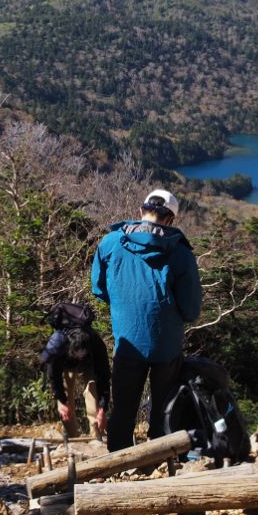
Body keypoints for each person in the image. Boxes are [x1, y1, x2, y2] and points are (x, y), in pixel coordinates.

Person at [91, 188, 202, 451]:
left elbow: (98, 288)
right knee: (164, 409)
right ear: (170, 220)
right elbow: (191, 309)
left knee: (124, 408)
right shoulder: (181, 254)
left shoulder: (110, 243)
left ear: (141, 211)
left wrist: (123, 305)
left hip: (127, 339)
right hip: (167, 345)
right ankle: (162, 460)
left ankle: (119, 462)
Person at [40, 305, 111, 440]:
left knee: (93, 388)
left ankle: (97, 435)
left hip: (90, 362)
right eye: (77, 356)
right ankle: (73, 438)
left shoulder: (96, 343)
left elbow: (104, 375)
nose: (79, 358)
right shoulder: (57, 345)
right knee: (66, 395)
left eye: (81, 356)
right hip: (65, 362)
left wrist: (103, 408)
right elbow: (53, 376)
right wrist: (61, 399)